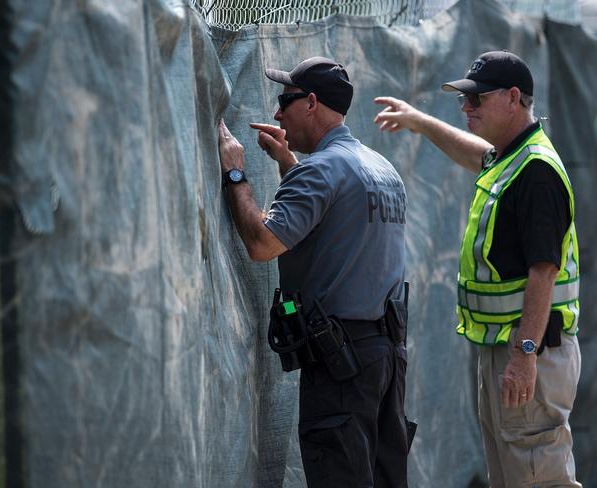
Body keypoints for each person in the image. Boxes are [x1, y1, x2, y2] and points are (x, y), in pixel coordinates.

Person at [374, 50, 581, 487]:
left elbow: (543, 273)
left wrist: (524, 356)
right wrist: (421, 121)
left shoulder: (536, 171)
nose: (467, 108)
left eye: (476, 100)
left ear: (512, 98)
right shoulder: (511, 156)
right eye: (463, 100)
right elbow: (476, 154)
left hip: (532, 354)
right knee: (512, 476)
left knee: (538, 478)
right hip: (511, 350)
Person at [218, 57, 411, 487]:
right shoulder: (381, 169)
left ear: (311, 103)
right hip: (386, 359)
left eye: (284, 100)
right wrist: (289, 164)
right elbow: (331, 224)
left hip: (342, 365)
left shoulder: (321, 170)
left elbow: (262, 244)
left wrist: (235, 173)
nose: (276, 112)